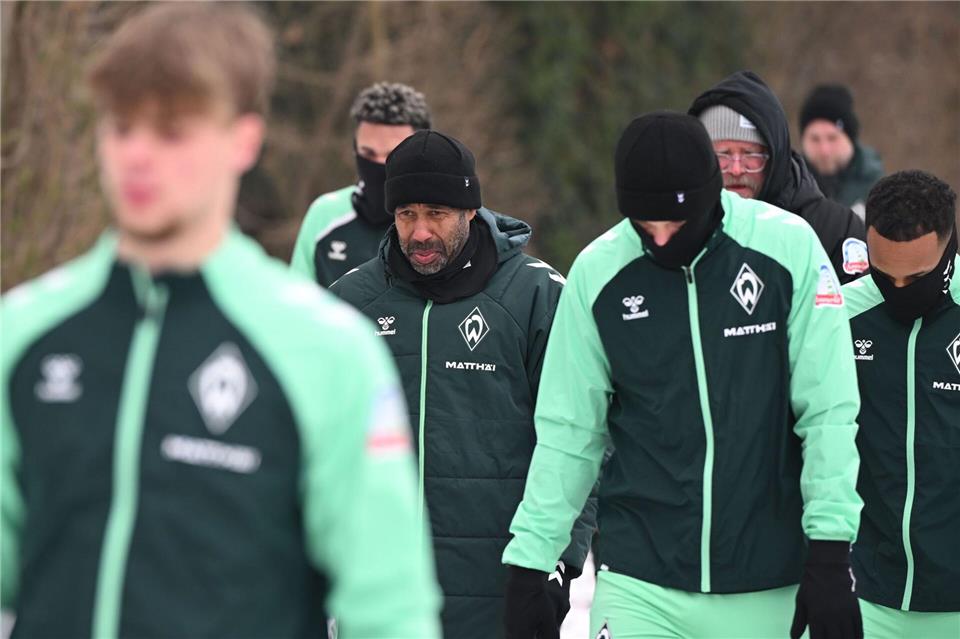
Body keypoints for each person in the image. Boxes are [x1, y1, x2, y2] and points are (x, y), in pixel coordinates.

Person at [0, 5, 440, 637]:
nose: (137, 156)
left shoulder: (327, 351)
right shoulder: (25, 331)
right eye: (121, 127)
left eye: (172, 131)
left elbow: (390, 612)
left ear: (244, 139)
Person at [500, 112, 863, 639]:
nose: (663, 239)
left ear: (712, 192)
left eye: (678, 222)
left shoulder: (787, 250)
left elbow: (827, 409)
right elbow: (569, 432)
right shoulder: (599, 274)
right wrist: (530, 561)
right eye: (646, 225)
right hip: (641, 580)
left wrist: (831, 550)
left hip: (769, 581)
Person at [329, 129, 595, 639]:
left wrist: (559, 565)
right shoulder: (350, 303)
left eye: (437, 213)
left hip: (500, 596)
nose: (420, 232)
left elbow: (580, 440)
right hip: (381, 598)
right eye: (407, 214)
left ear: (471, 211)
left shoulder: (538, 297)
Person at [842, 170, 959, 638]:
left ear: (948, 247)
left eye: (917, 277)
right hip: (864, 595)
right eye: (883, 274)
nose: (899, 288)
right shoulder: (842, 317)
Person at [689, 70, 869, 284]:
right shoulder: (677, 228)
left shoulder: (834, 230)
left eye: (750, 154)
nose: (736, 169)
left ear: (775, 156)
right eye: (723, 155)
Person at [291, 82, 431, 286]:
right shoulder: (325, 215)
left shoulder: (441, 223)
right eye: (368, 154)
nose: (378, 165)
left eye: (392, 155)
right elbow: (296, 301)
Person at [800, 84, 885, 218]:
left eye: (832, 138)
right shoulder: (788, 187)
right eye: (815, 139)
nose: (824, 150)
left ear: (850, 139)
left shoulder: (879, 190)